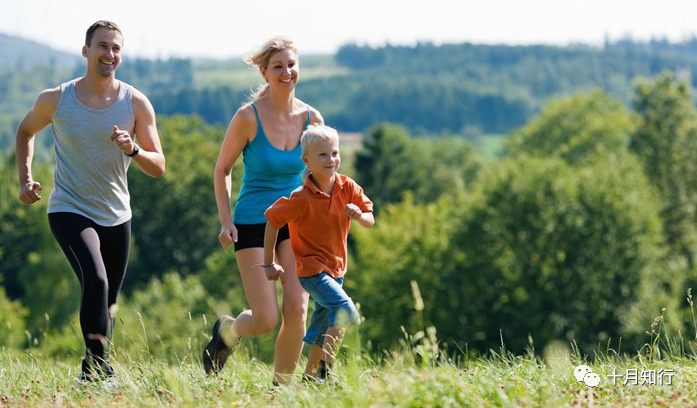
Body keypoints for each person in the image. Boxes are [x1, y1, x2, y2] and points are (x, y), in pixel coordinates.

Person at [15, 20, 165, 383]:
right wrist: (25, 179)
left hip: (116, 213)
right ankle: (99, 372)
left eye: (115, 48)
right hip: (69, 208)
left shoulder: (135, 102)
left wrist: (134, 149)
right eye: (102, 46)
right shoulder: (57, 98)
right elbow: (24, 131)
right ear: (86, 51)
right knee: (96, 281)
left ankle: (92, 369)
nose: (109, 54)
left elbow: (158, 166)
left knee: (108, 299)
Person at [205, 37, 324, 385]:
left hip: (296, 223)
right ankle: (228, 331)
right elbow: (222, 170)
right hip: (254, 222)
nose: (287, 72)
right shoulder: (248, 117)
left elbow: (321, 174)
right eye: (278, 67)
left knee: (297, 309)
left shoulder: (311, 118)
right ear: (264, 72)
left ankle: (280, 391)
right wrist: (226, 221)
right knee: (266, 318)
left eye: (291, 65)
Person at [261, 124, 374, 383]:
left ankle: (311, 379)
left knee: (322, 328)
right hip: (311, 271)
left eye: (334, 153)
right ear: (306, 160)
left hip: (337, 270)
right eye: (322, 155)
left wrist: (360, 216)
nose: (331, 159)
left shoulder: (347, 187)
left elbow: (370, 218)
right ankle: (326, 369)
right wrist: (268, 263)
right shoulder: (301, 198)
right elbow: (272, 220)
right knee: (346, 311)